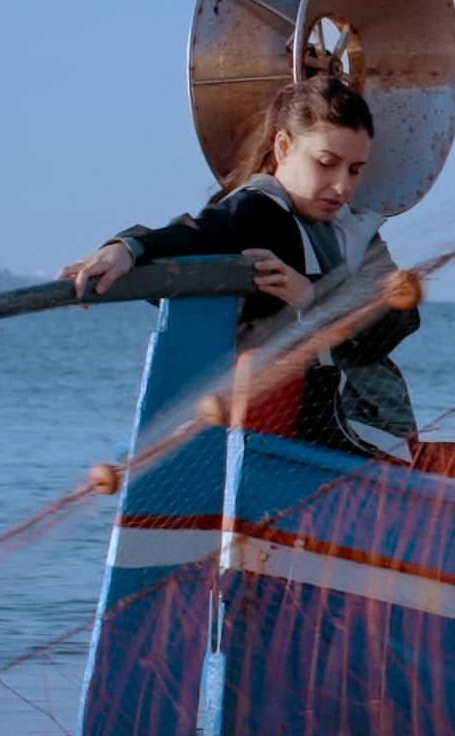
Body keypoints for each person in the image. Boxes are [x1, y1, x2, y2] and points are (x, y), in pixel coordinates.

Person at [61, 76, 421, 460]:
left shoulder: (359, 232)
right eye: (326, 164)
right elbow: (198, 237)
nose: (341, 187)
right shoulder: (258, 212)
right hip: (307, 434)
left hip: (367, 427)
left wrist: (312, 297)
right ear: (283, 147)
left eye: (354, 170)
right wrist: (128, 248)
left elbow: (399, 321)